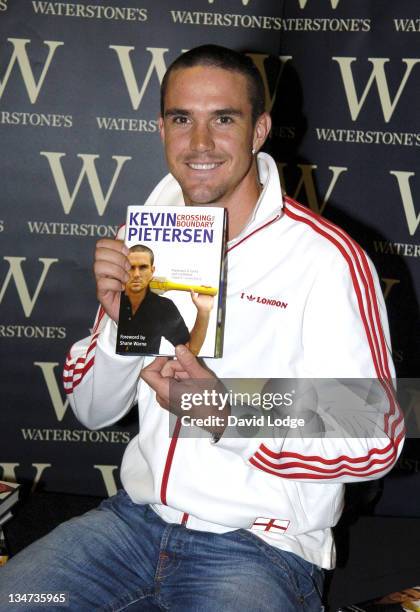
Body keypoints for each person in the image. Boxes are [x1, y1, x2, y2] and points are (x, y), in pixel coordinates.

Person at [0, 45, 404, 611]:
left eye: (224, 118)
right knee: (16, 598)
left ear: (259, 130)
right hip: (132, 525)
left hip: (260, 547)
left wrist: (227, 413)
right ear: (160, 127)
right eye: (181, 118)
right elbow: (91, 409)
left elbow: (377, 434)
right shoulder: (142, 238)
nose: (200, 143)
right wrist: (122, 330)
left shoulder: (326, 258)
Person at [118, 244, 213, 355]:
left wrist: (203, 312)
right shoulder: (113, 298)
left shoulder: (164, 307)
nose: (137, 274)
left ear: (152, 271)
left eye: (143, 267)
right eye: (131, 267)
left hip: (146, 371)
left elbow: (191, 350)